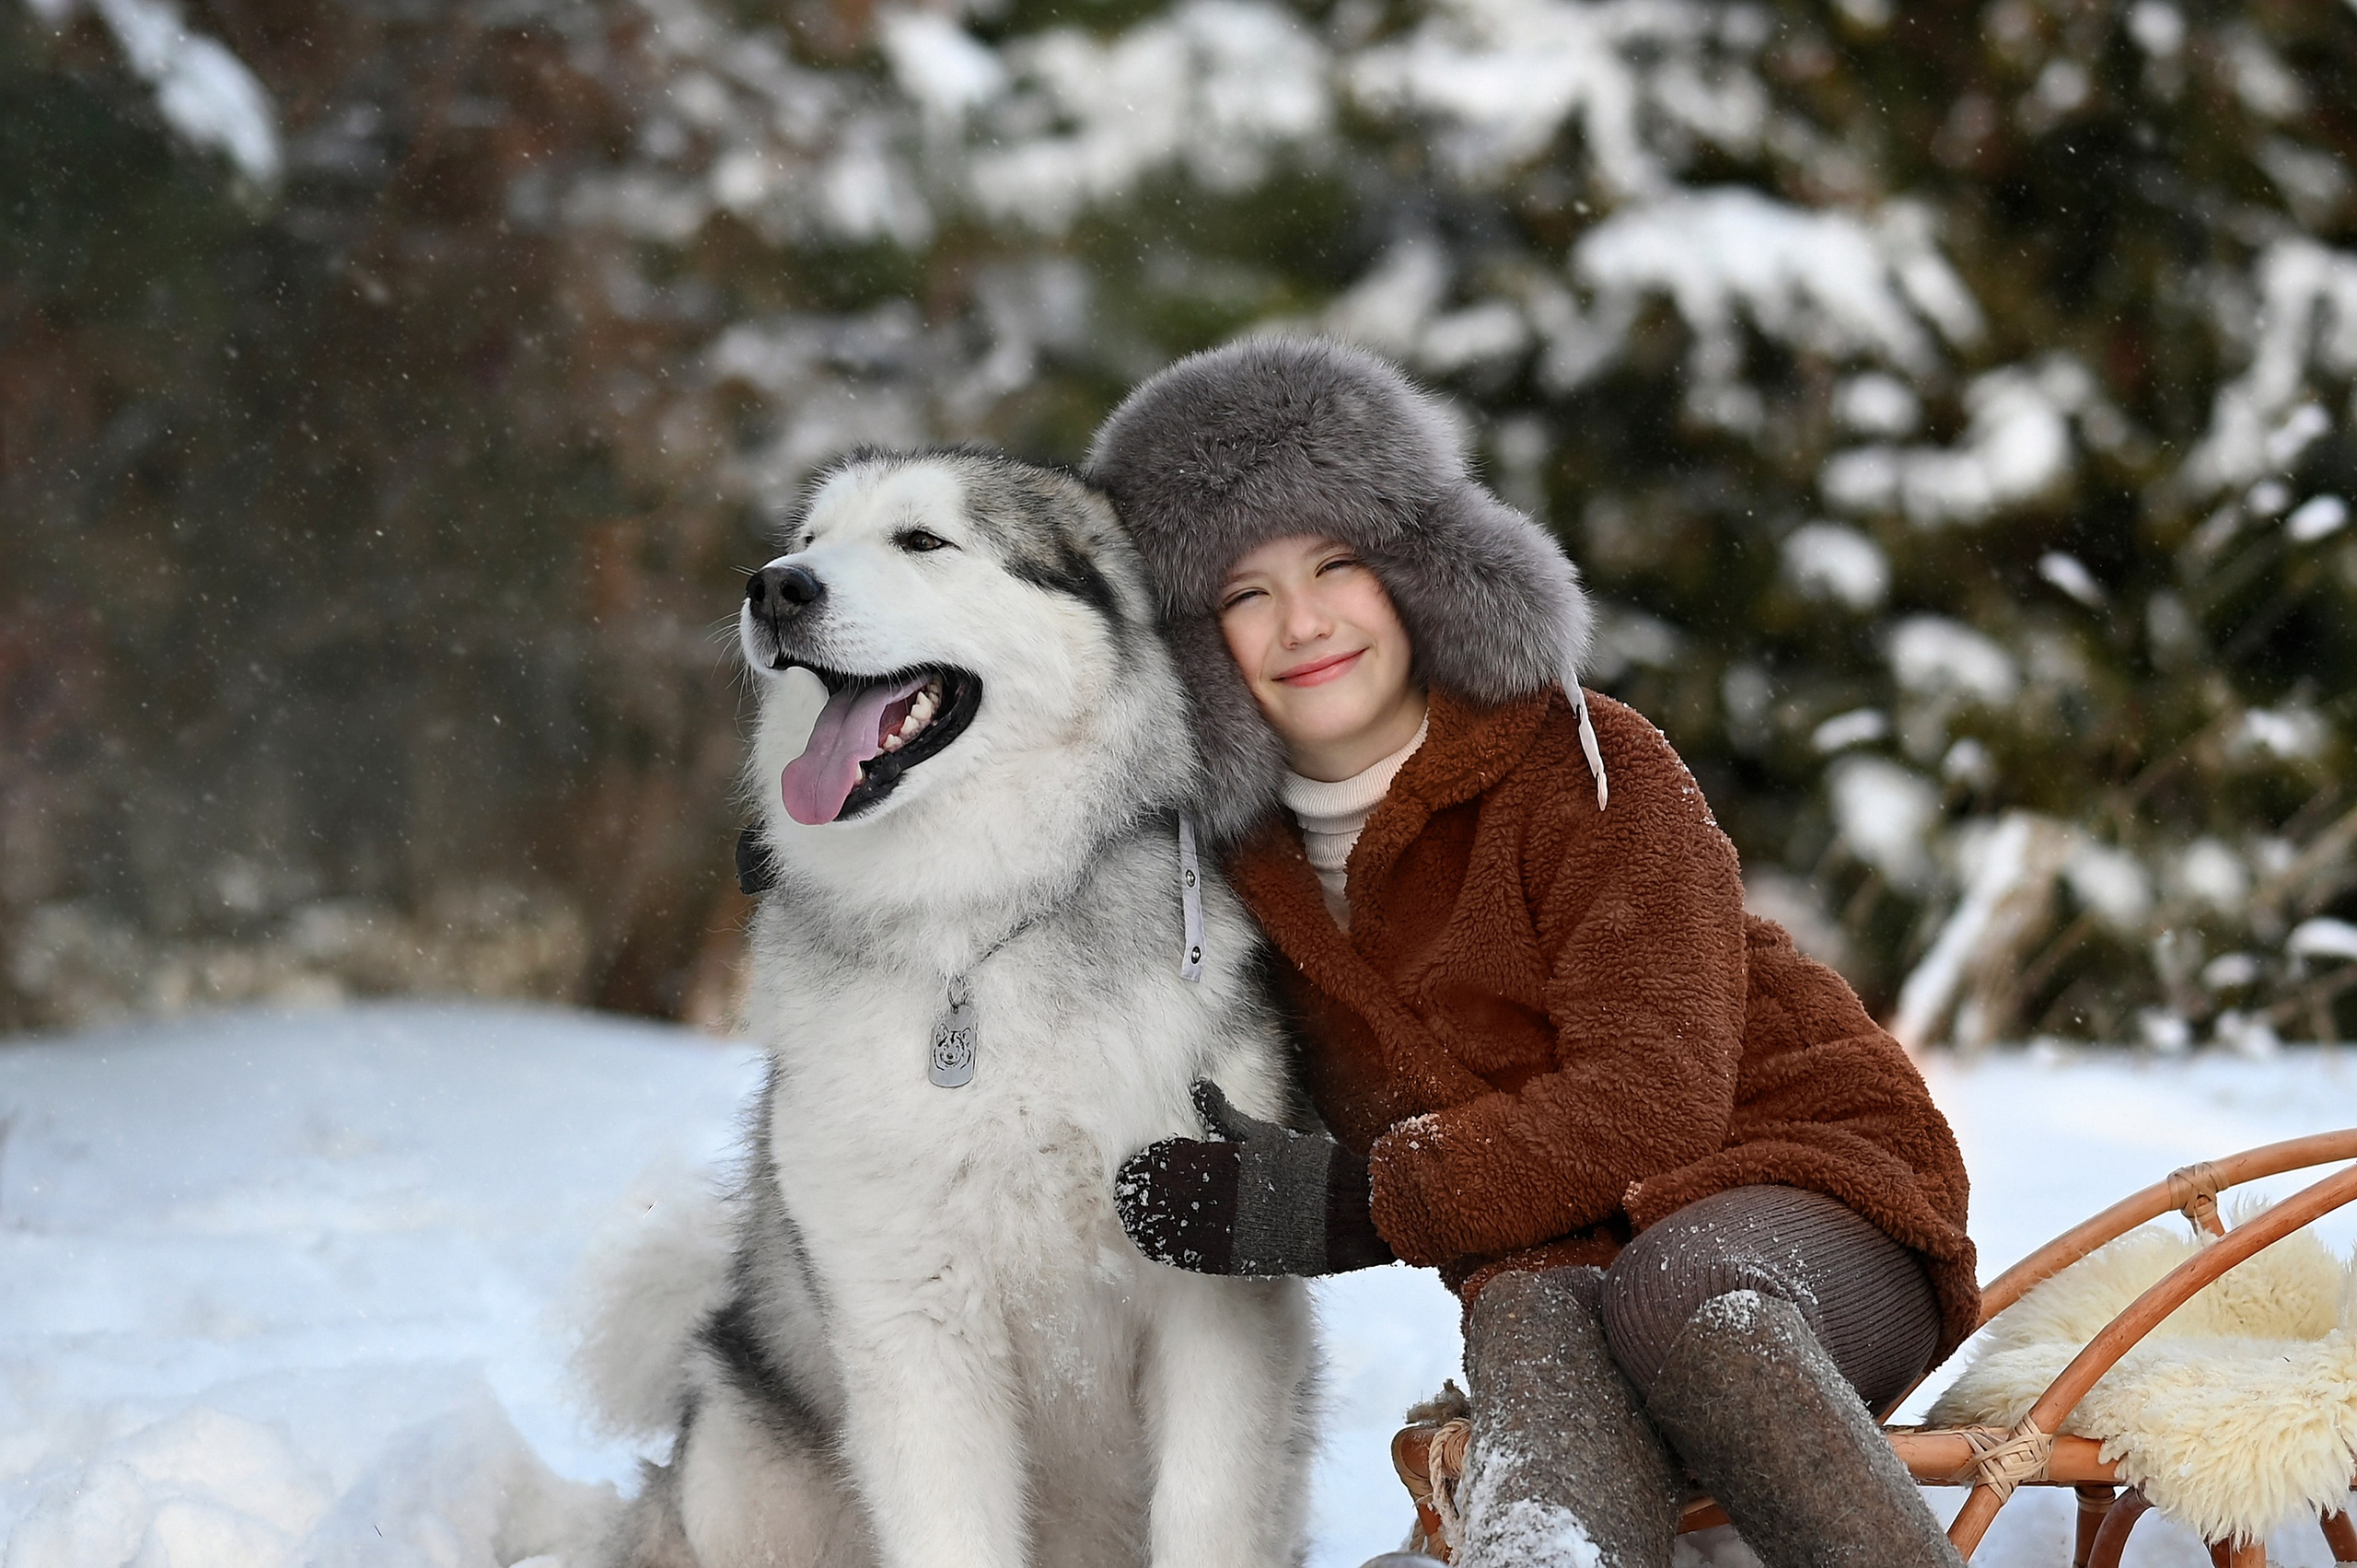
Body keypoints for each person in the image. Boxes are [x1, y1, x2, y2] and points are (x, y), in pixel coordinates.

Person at [1085, 337, 1979, 1568]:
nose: (1302, 622)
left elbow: (1653, 1102)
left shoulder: (1584, 763)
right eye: (1244, 592)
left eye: (1336, 561)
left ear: (1416, 571)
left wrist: (1360, 1203)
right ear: (1196, 643)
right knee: (1531, 1318)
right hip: (1555, 1262)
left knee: (1682, 1294)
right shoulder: (1230, 874)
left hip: (1813, 1200)